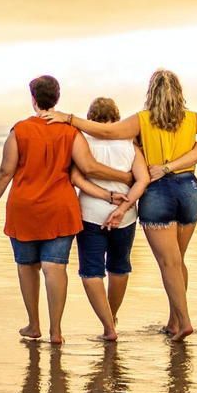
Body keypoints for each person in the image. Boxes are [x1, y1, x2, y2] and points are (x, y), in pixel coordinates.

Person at [42, 69, 197, 342]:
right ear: (179, 93)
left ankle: (184, 322)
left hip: (159, 193)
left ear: (151, 93)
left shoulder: (142, 120)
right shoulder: (192, 120)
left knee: (168, 263)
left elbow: (107, 131)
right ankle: (174, 319)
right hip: (188, 190)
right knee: (177, 261)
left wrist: (70, 119)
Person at [0, 75, 132, 344]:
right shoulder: (70, 131)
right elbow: (87, 167)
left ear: (33, 99)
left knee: (27, 266)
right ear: (57, 98)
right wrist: (124, 178)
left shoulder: (20, 130)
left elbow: (6, 171)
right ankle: (56, 331)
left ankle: (34, 324)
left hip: (24, 208)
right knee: (55, 267)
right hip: (60, 208)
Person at [68, 98, 150, 342]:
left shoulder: (82, 142)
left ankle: (108, 326)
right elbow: (142, 180)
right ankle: (112, 316)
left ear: (90, 117)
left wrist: (104, 196)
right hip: (125, 217)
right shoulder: (129, 144)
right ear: (117, 117)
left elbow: (76, 178)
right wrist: (122, 208)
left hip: (90, 213)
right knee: (119, 266)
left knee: (91, 271)